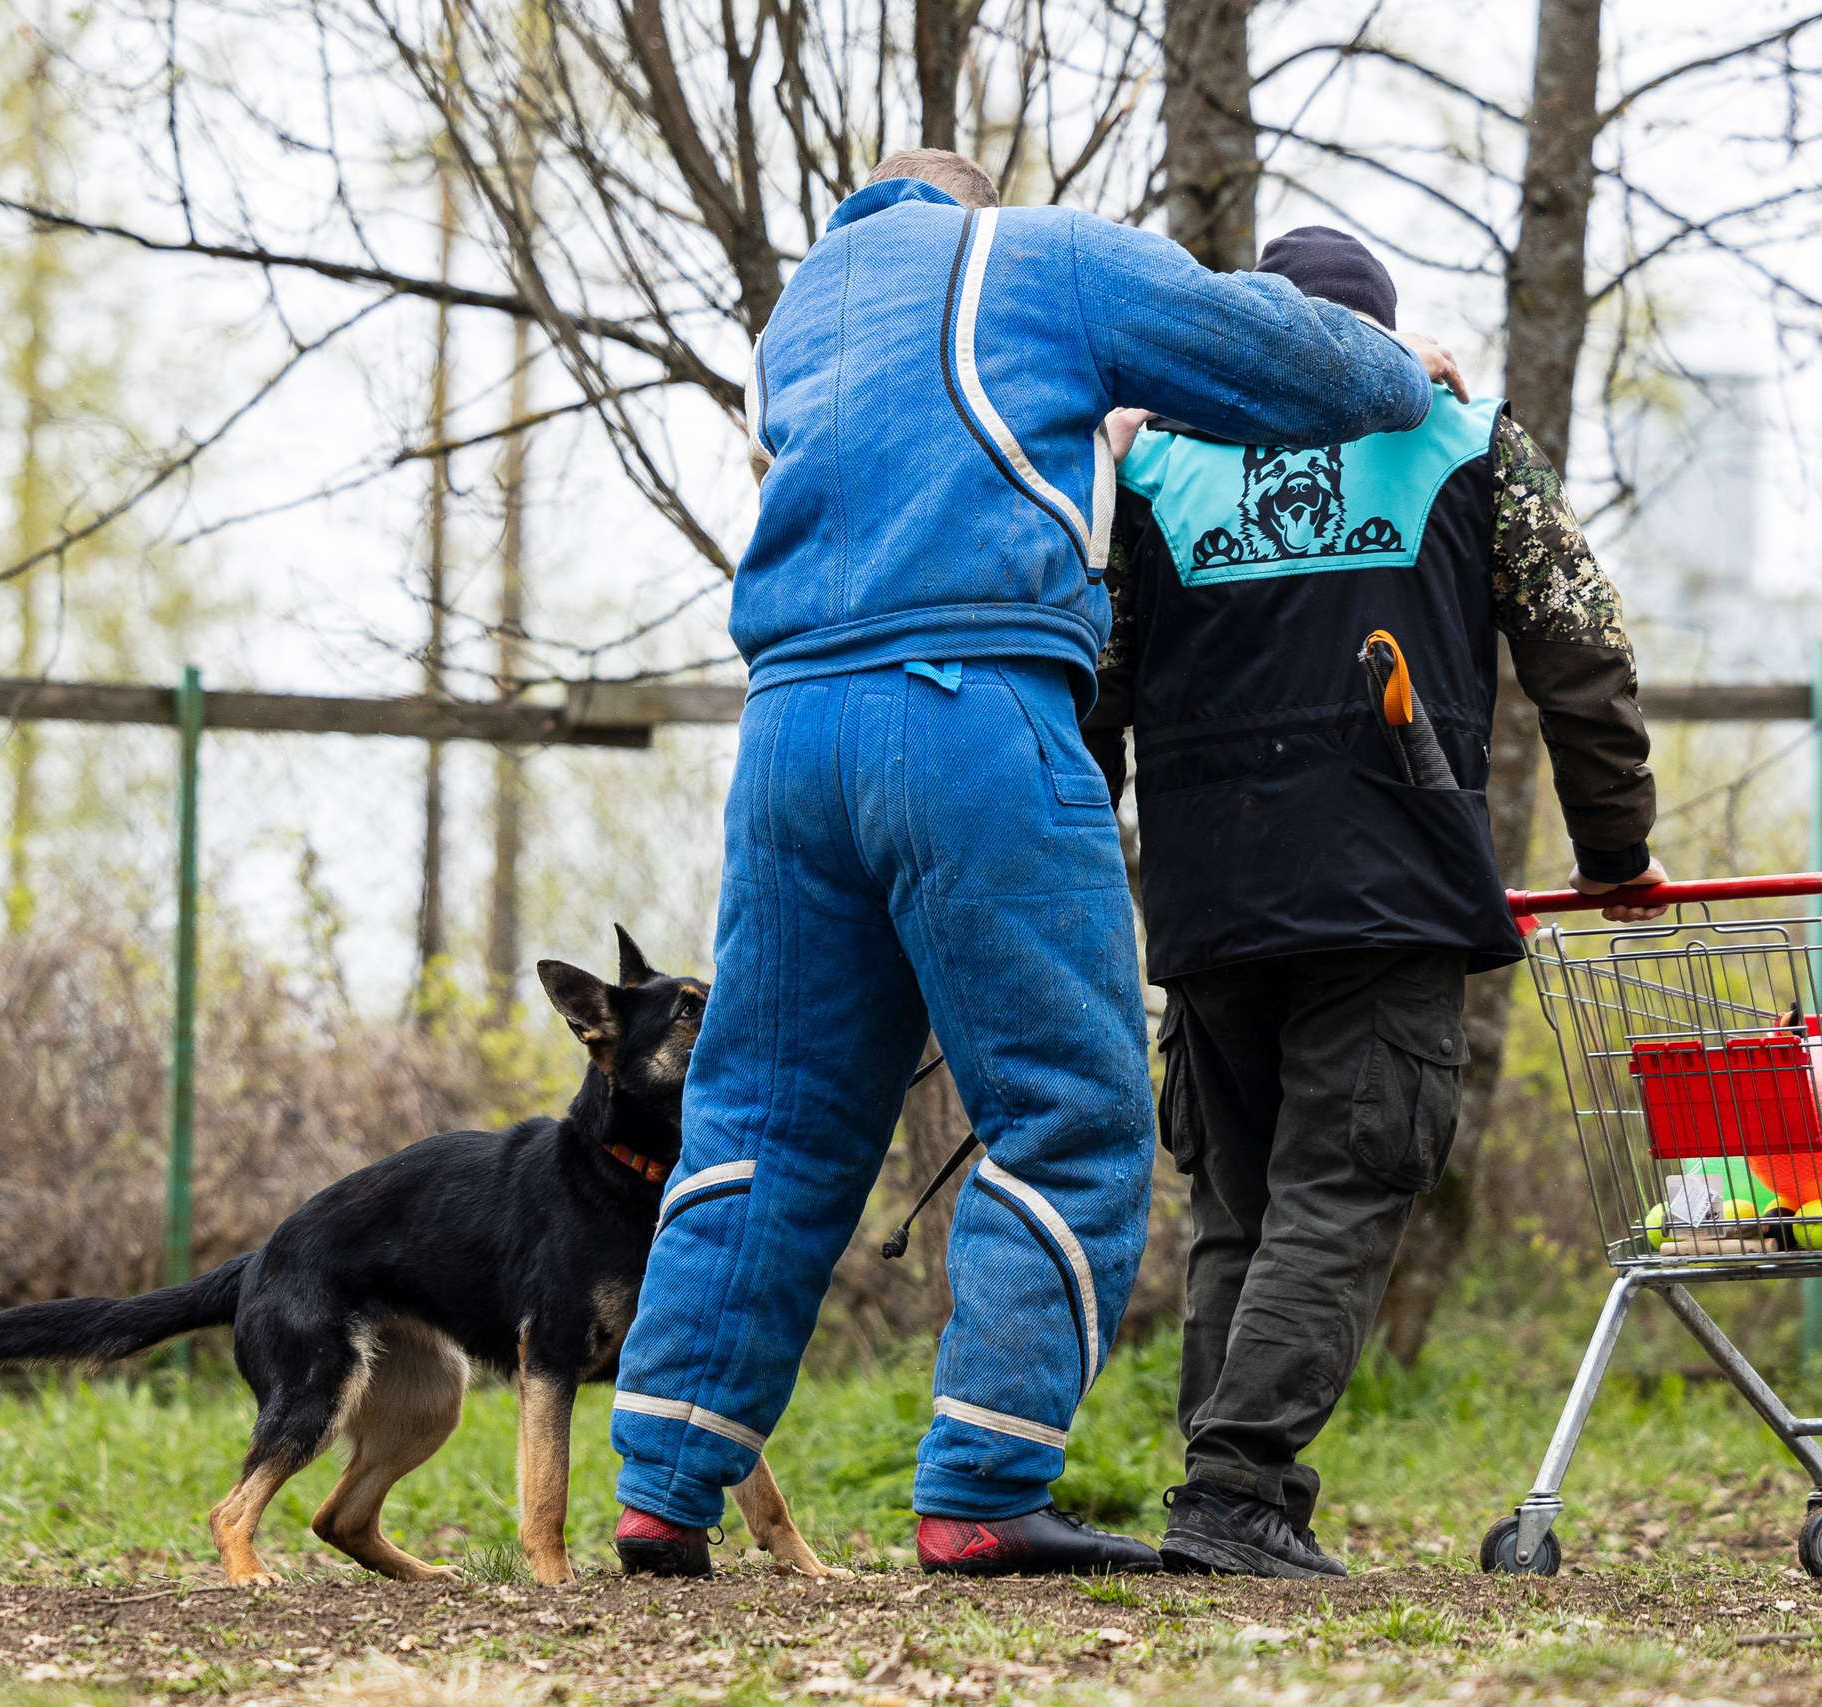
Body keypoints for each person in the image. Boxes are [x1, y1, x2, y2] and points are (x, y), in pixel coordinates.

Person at [607, 155, 1469, 1578]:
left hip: (786, 741)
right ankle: (982, 1490)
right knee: (1067, 1111)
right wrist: (1390, 356)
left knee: (769, 1113)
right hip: (971, 718)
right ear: (969, 201)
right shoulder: (1040, 259)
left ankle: (663, 1486)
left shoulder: (807, 313)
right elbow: (1301, 367)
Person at [1078, 226, 1668, 1580]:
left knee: (1240, 1207)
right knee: (1342, 1186)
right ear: (1377, 334)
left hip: (1211, 902)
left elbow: (1092, 684)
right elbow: (1582, 648)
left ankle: (1231, 1500)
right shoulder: (1463, 442)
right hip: (1388, 884)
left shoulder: (1154, 469)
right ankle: (1236, 1496)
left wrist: (1085, 876)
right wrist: (1616, 851)